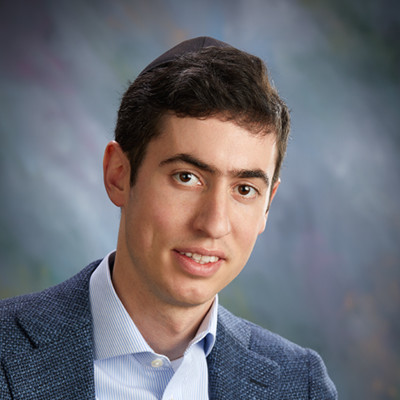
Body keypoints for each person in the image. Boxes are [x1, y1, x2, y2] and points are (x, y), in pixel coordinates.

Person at [0, 36, 337, 399]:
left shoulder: (301, 384)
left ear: (267, 204)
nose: (213, 224)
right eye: (186, 177)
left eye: (244, 189)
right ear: (118, 176)